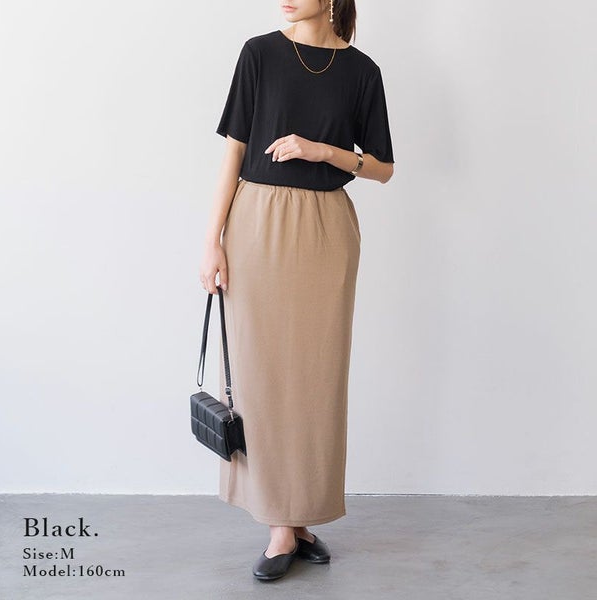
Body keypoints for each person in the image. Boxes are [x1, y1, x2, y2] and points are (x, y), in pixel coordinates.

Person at [199, 0, 394, 581]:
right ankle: (279, 524)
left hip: (328, 229)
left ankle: (303, 514)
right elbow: (233, 153)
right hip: (257, 223)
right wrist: (212, 240)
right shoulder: (259, 54)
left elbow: (383, 167)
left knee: (317, 376)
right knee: (262, 374)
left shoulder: (362, 71)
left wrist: (323, 151)